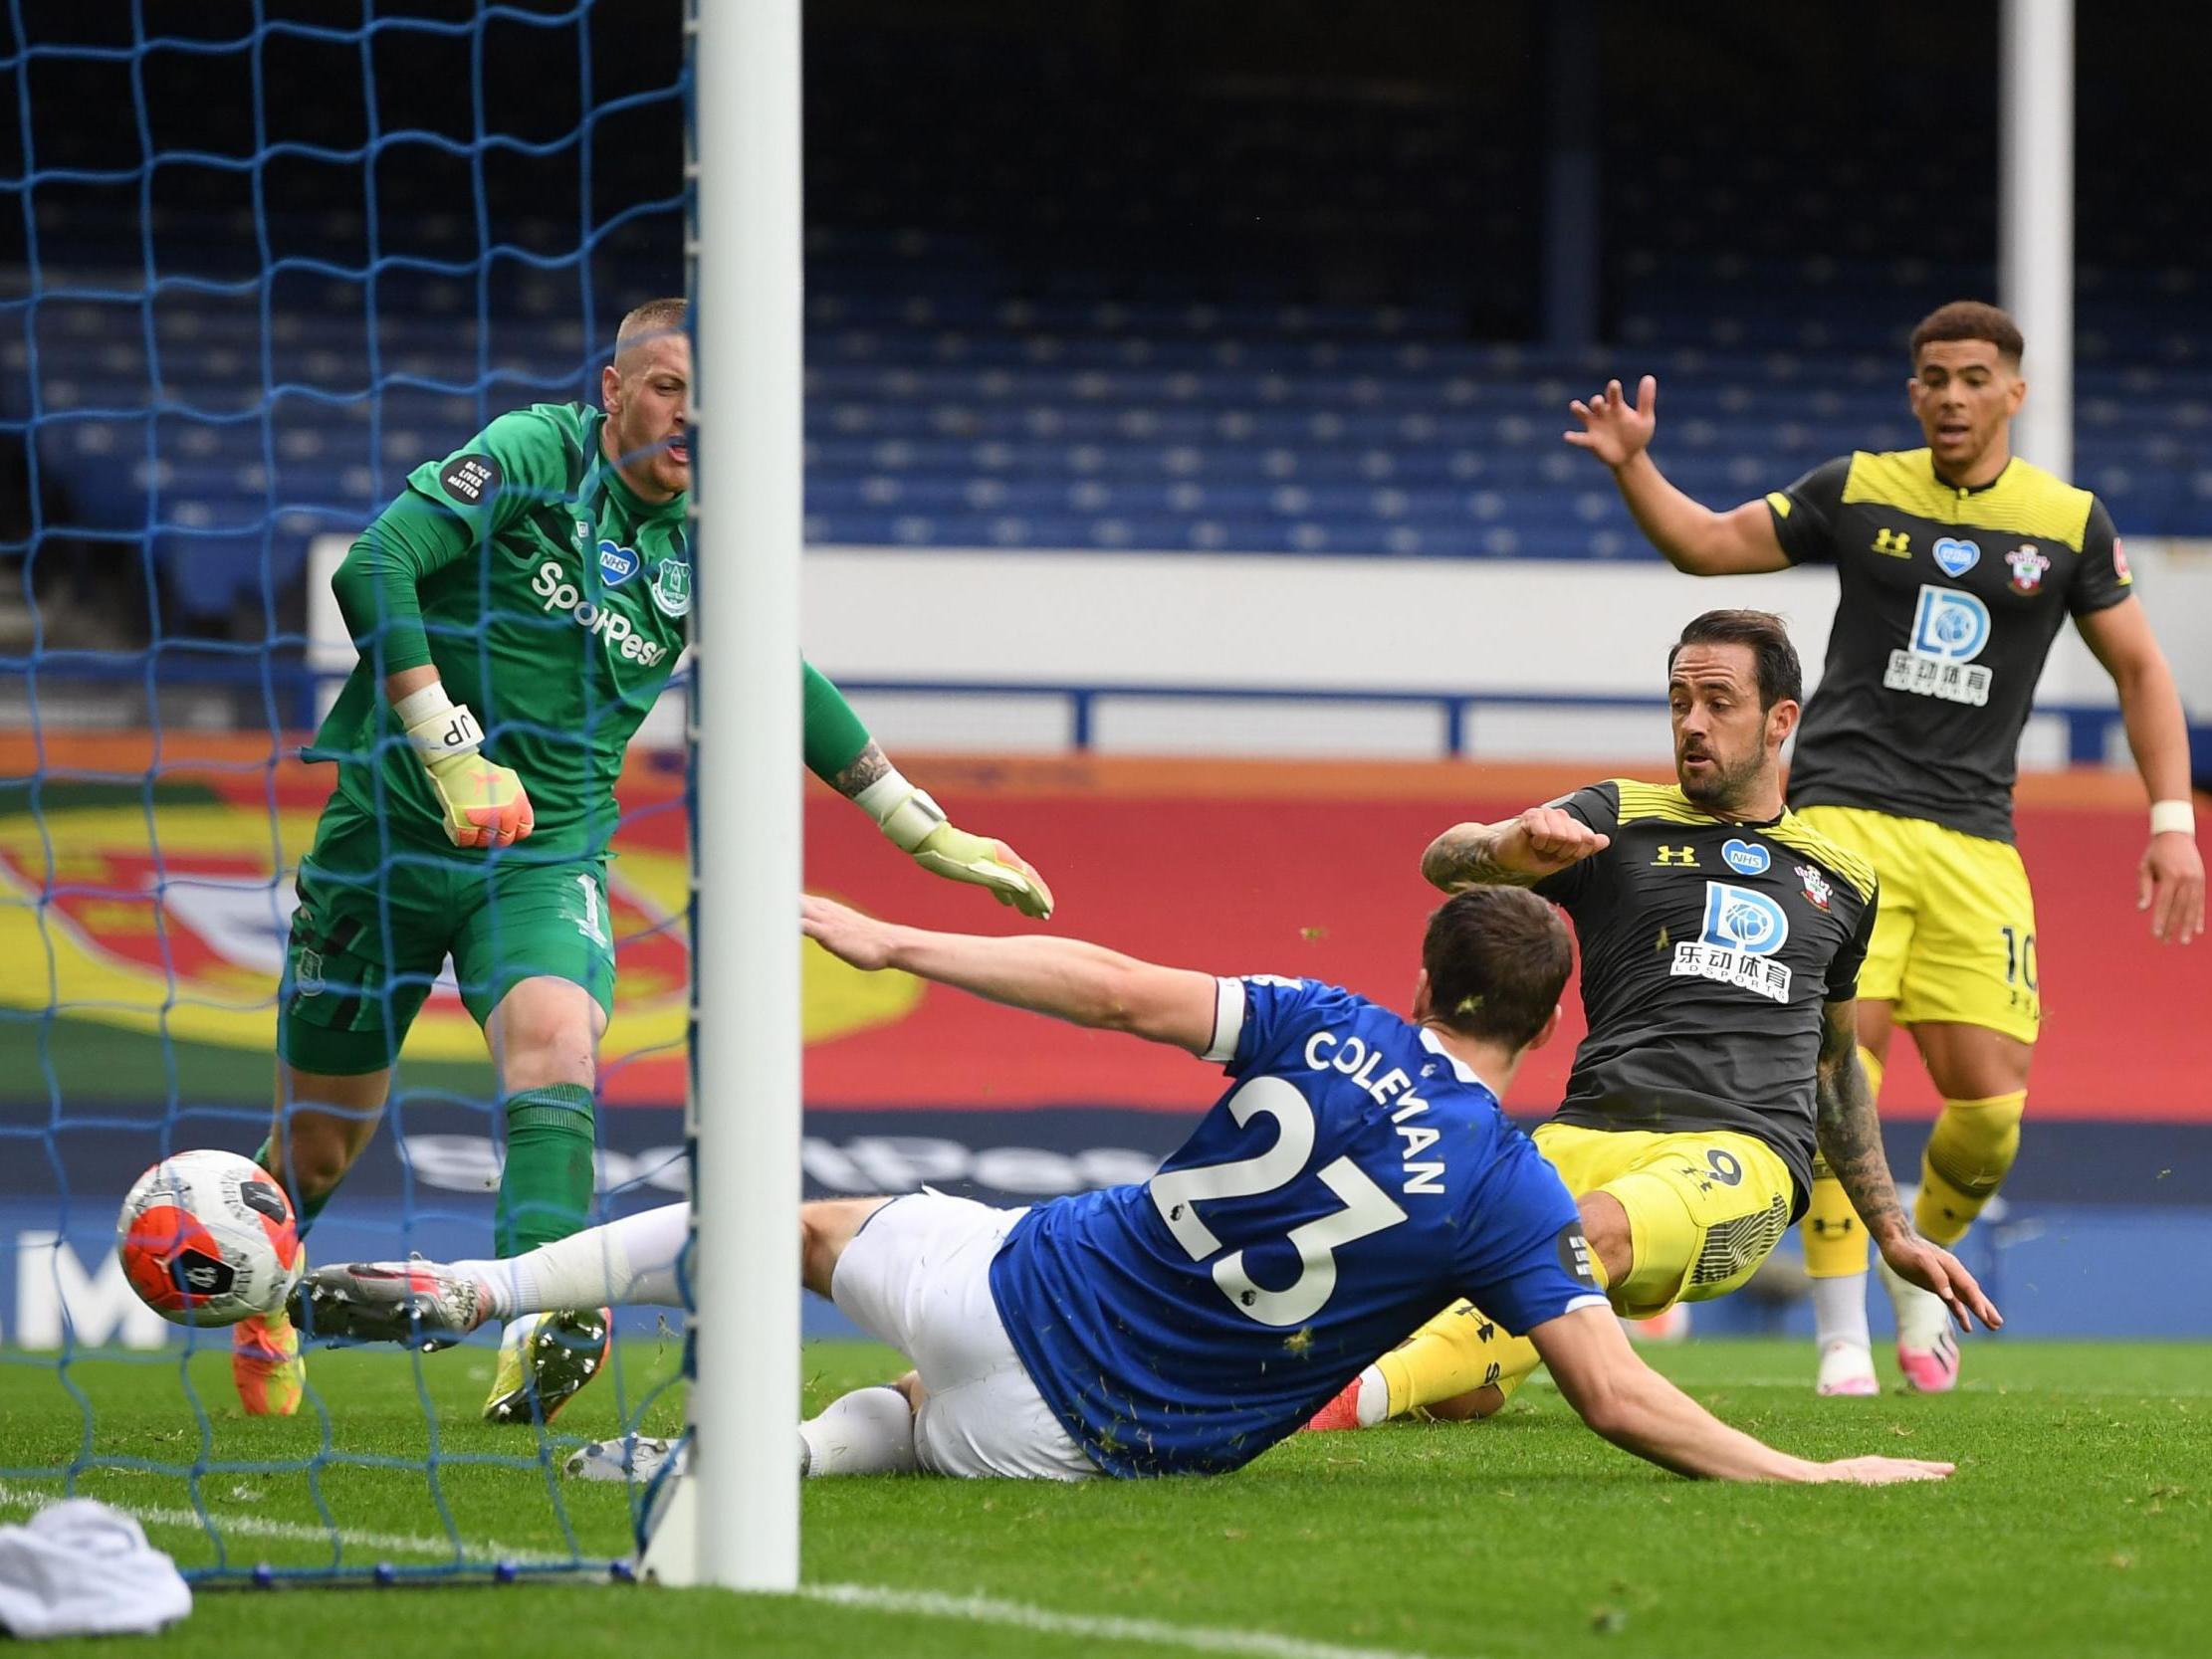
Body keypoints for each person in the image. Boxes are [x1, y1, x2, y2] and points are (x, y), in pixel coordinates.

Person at [292, 886, 1985, 1488]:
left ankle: (470, 1295)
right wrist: (1809, 1467)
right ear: (1553, 1023)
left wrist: (889, 934)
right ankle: (730, 1461)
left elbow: (1103, 984)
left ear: (1419, 969)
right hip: (1099, 1435)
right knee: (906, 1413)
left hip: (1010, 1279)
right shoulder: (1508, 1191)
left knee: (789, 1232)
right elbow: (1618, 1398)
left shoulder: (1320, 1022)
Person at [235, 298, 1053, 1423]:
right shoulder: (537, 452)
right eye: (668, 387)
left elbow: (781, 675)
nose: (690, 417)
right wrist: (450, 750)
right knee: (321, 1146)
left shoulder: (710, 535)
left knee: (555, 1037)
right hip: (386, 836)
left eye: (708, 398)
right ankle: (260, 1296)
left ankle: (538, 1317)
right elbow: (375, 567)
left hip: (543, 852)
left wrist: (913, 820)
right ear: (614, 390)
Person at [1563, 301, 2203, 1394]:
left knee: (1989, 1111)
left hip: (1972, 836)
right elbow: (1706, 544)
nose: (1949, 395)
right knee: (1832, 1066)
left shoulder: (2066, 521)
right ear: (1911, 392)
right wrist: (1633, 467)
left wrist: (2170, 822)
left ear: (2013, 389)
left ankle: (1914, 1279)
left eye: (1970, 377)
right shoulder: (1856, 488)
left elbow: (2141, 670)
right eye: (1930, 378)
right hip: (1842, 820)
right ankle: (1838, 1338)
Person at [1303, 609, 1995, 1435]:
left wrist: (1892, 1229)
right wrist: (1513, 847)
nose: (1692, 723)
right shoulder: (1617, 816)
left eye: (1717, 701)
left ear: (1781, 720)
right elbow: (1444, 859)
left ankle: (1330, 1407)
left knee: (1575, 1236)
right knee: (1442, 1341)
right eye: (1677, 701)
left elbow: (1833, 1062)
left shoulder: (1843, 877)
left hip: (1739, 1151)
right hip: (1585, 1130)